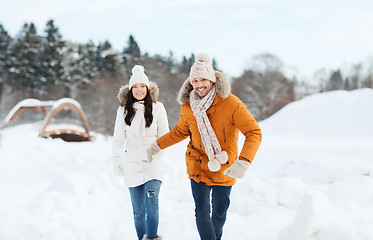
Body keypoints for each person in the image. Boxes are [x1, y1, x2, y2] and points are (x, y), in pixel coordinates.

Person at [148, 53, 262, 240]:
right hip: (198, 164)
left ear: (212, 80)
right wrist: (156, 146)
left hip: (224, 166)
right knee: (201, 212)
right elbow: (180, 132)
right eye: (195, 80)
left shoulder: (231, 103)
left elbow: (254, 132)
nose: (199, 84)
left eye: (203, 79)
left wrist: (243, 161)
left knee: (219, 213)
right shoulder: (188, 106)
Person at [112, 65, 169, 240]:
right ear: (130, 90)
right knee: (138, 211)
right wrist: (117, 159)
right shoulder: (123, 111)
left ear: (148, 88)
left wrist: (157, 152)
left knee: (151, 201)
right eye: (135, 87)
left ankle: (152, 237)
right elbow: (118, 140)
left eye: (142, 86)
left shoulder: (158, 108)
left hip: (152, 163)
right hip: (131, 164)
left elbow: (165, 136)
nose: (139, 90)